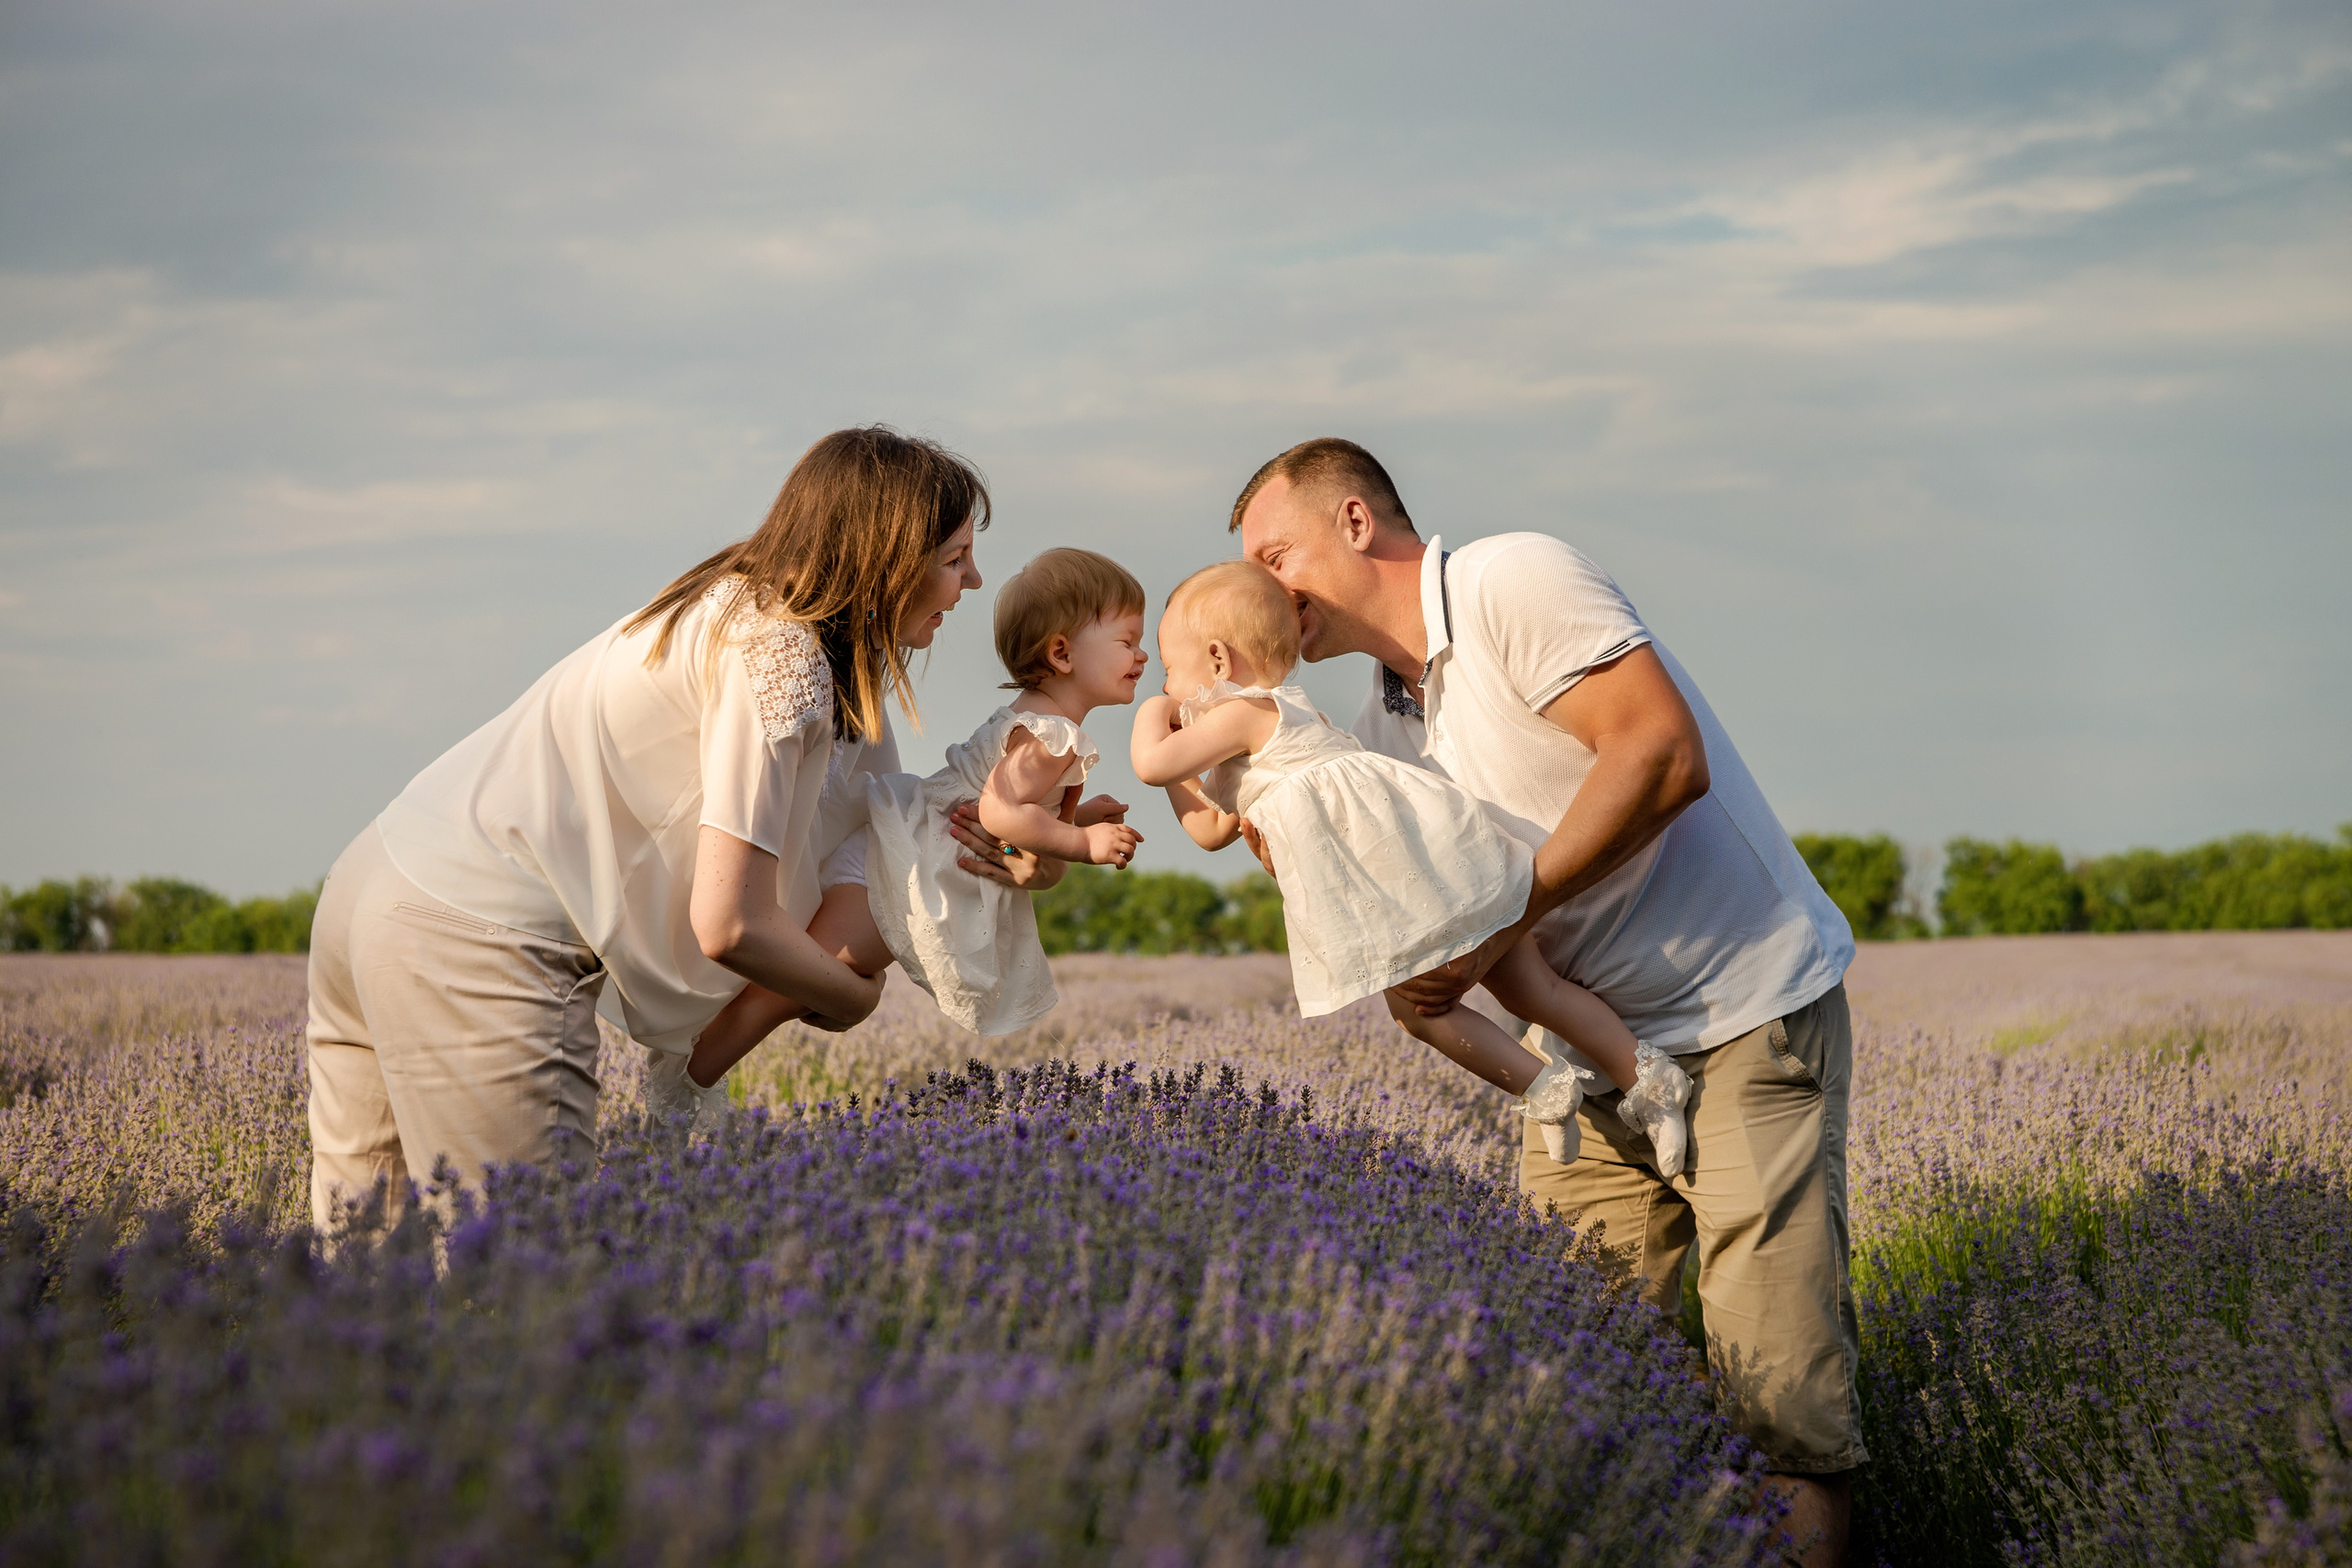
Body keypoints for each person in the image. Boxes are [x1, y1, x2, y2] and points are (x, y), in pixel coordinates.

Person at [1231, 437, 1861, 1567]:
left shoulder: (1509, 581)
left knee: (1782, 1411)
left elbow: (1661, 756)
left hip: (1741, 1017)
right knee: (1580, 1381)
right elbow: (1438, 919)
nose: (1261, 590)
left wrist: (1502, 923)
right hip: (1585, 1064)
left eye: (1276, 553)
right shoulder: (1379, 728)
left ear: (1358, 522)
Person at [304, 426, 1055, 1224]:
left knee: (367, 1274)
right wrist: (852, 996)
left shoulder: (757, 620)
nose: (973, 580)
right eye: (953, 557)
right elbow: (730, 923)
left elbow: (890, 831)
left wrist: (1021, 853)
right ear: (884, 556)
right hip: (477, 936)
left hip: (376, 885)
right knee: (520, 1285)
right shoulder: (782, 656)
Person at [1129, 559, 1693, 1169]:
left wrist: (1146, 714)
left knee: (1422, 1011)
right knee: (1533, 989)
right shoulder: (1281, 719)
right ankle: (1624, 1083)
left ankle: (1570, 1087)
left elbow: (1152, 764)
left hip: (1399, 884)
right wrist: (1182, 758)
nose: (1166, 688)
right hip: (1428, 864)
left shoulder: (1246, 713)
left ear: (1216, 661)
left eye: (1169, 670)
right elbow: (1208, 828)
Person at [683, 548, 1147, 1065]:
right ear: (1062, 654)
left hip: (899, 845)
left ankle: (686, 1071)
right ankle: (684, 1085)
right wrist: (1082, 843)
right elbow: (998, 813)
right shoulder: (1052, 737)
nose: (1143, 657)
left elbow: (1009, 813)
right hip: (903, 867)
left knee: (794, 988)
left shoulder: (1042, 724)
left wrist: (1075, 816)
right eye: (1128, 642)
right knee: (782, 994)